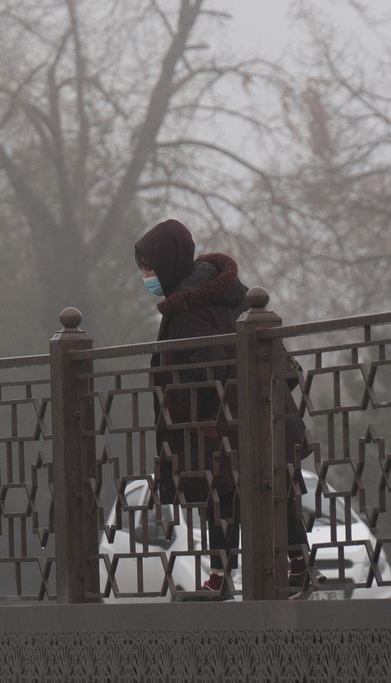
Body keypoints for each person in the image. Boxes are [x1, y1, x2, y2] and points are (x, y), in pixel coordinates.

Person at [133, 219, 312, 599]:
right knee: (277, 487)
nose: (146, 276)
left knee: (221, 495)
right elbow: (288, 370)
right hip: (271, 417)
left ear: (168, 264)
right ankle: (298, 569)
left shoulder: (187, 310)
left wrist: (178, 403)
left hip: (218, 424)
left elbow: (201, 369)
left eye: (149, 268)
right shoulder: (239, 296)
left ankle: (220, 580)